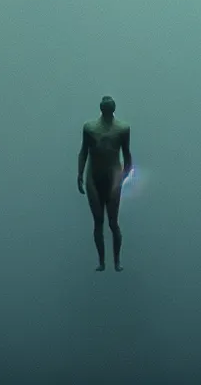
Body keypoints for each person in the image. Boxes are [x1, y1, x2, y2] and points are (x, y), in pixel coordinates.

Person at [77, 96, 132, 272]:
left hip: (113, 177)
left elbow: (127, 154)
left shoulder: (123, 129)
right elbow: (83, 151)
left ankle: (116, 261)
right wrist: (79, 174)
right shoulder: (89, 128)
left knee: (113, 222)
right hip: (93, 177)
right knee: (98, 221)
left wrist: (125, 175)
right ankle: (102, 261)